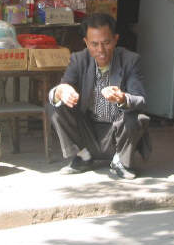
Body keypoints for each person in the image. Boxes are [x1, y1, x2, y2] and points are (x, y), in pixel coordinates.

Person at [47, 13, 151, 180]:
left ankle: (120, 160)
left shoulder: (130, 60)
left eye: (106, 43)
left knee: (138, 117)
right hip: (87, 132)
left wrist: (123, 98)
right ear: (86, 42)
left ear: (115, 39)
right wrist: (61, 91)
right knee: (54, 105)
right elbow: (63, 87)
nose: (101, 50)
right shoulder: (78, 59)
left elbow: (141, 100)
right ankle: (83, 156)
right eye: (94, 44)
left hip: (117, 133)